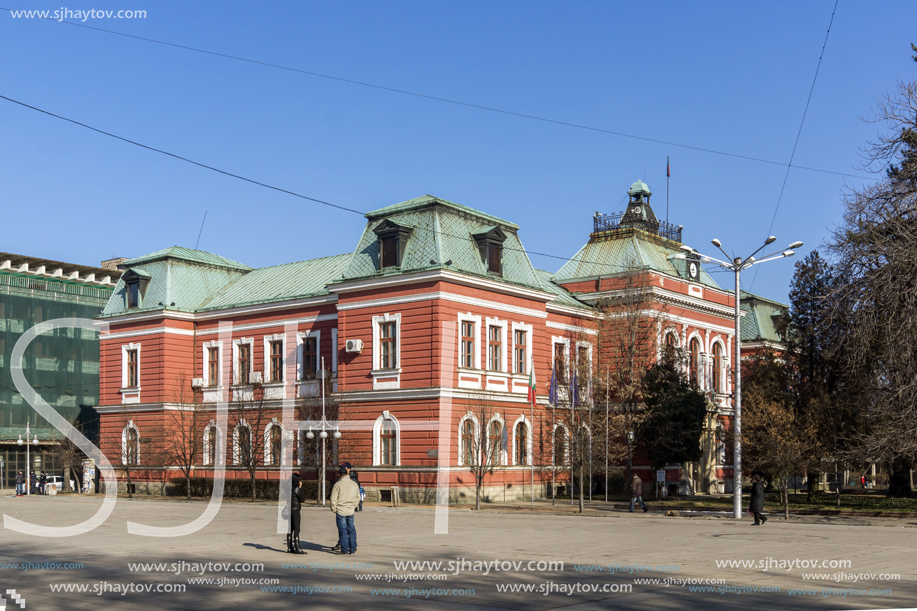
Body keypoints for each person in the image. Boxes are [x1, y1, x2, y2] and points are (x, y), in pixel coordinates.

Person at [330, 462, 361, 554]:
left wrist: (334, 508)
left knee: (342, 530)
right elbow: (357, 497)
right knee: (351, 529)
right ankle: (352, 549)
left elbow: (333, 499)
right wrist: (354, 506)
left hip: (341, 510)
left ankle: (344, 549)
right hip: (350, 510)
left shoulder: (338, 484)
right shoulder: (354, 484)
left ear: (339, 474)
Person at [288, 474, 306, 554]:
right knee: (297, 529)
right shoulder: (296, 489)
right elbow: (302, 499)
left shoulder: (288, 489)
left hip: (289, 510)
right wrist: (300, 488)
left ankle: (289, 547)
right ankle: (298, 548)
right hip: (295, 510)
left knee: (290, 530)